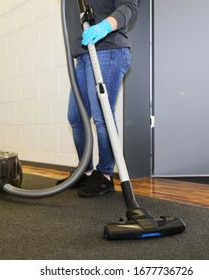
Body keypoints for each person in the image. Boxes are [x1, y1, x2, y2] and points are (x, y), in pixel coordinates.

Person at [58, 0, 138, 197]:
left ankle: (105, 175)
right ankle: (85, 171)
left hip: (107, 49)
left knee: (101, 116)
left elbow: (129, 5)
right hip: (83, 56)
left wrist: (105, 26)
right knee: (76, 117)